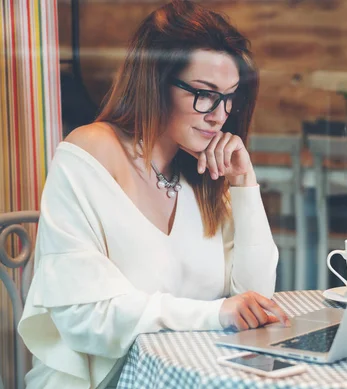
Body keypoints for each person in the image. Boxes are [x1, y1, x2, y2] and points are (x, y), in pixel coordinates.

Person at [18, 1, 290, 388]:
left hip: (190, 375)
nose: (218, 115)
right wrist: (214, 315)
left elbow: (254, 297)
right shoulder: (91, 153)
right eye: (204, 93)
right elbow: (84, 316)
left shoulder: (205, 174)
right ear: (156, 83)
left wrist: (244, 186)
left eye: (229, 98)